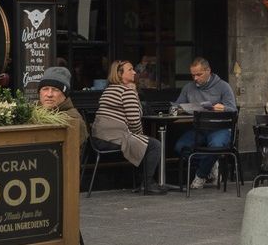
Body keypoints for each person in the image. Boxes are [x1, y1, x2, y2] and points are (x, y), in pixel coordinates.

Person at [94, 60, 168, 191]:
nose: (134, 72)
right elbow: (135, 120)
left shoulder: (108, 90)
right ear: (119, 74)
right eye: (130, 70)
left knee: (142, 142)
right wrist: (141, 136)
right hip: (114, 138)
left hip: (98, 139)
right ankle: (147, 183)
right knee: (154, 145)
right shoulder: (126, 92)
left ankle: (142, 181)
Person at [174, 56, 237, 189]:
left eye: (199, 74)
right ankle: (210, 163)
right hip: (199, 128)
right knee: (180, 147)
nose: (195, 78)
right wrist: (177, 109)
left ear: (208, 71)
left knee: (215, 146)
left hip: (220, 128)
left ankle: (201, 175)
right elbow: (177, 105)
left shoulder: (223, 86)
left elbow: (233, 110)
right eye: (193, 75)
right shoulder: (188, 88)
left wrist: (223, 108)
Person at [35, 67, 86, 152]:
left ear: (64, 95)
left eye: (55, 90)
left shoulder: (72, 119)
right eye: (45, 89)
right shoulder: (31, 113)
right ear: (39, 92)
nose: (49, 94)